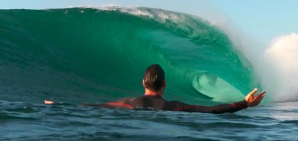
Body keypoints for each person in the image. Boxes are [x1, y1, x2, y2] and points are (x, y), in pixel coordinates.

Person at [45, 64, 266, 114]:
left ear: (143, 83)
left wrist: (61, 106)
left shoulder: (128, 103)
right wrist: (244, 103)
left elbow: (94, 106)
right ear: (165, 84)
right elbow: (209, 110)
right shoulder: (173, 107)